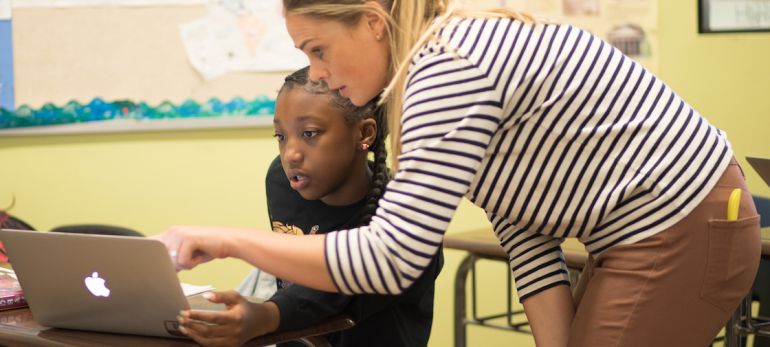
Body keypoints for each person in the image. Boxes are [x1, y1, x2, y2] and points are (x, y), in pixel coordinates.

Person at [157, 1, 762, 346]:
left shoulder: (447, 69)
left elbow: (389, 260)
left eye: (318, 49)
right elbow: (525, 226)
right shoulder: (427, 78)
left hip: (681, 229)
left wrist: (226, 240)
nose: (315, 72)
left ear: (373, 22)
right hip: (657, 233)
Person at [172, 67, 442, 347]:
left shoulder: (406, 216)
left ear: (364, 133)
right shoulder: (282, 181)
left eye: (310, 133)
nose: (291, 154)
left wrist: (264, 316)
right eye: (281, 136)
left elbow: (338, 293)